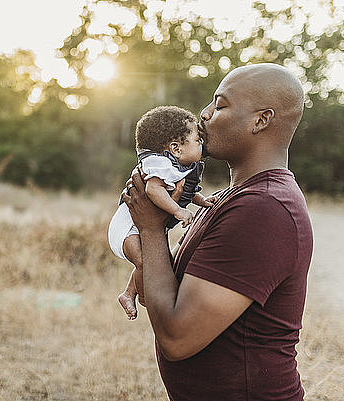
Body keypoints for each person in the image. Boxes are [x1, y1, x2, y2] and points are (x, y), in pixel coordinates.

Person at [122, 63, 313, 401]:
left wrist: (150, 229)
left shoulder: (263, 209)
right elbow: (166, 298)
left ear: (261, 120)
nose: (204, 114)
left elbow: (177, 338)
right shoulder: (228, 198)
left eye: (220, 105)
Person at [108, 106, 217, 320]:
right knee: (144, 262)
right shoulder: (158, 163)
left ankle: (128, 292)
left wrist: (202, 201)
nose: (202, 143)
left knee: (146, 260)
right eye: (198, 140)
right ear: (175, 148)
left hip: (142, 227)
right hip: (126, 228)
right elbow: (154, 189)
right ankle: (145, 297)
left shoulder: (177, 167)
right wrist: (178, 210)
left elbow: (185, 191)